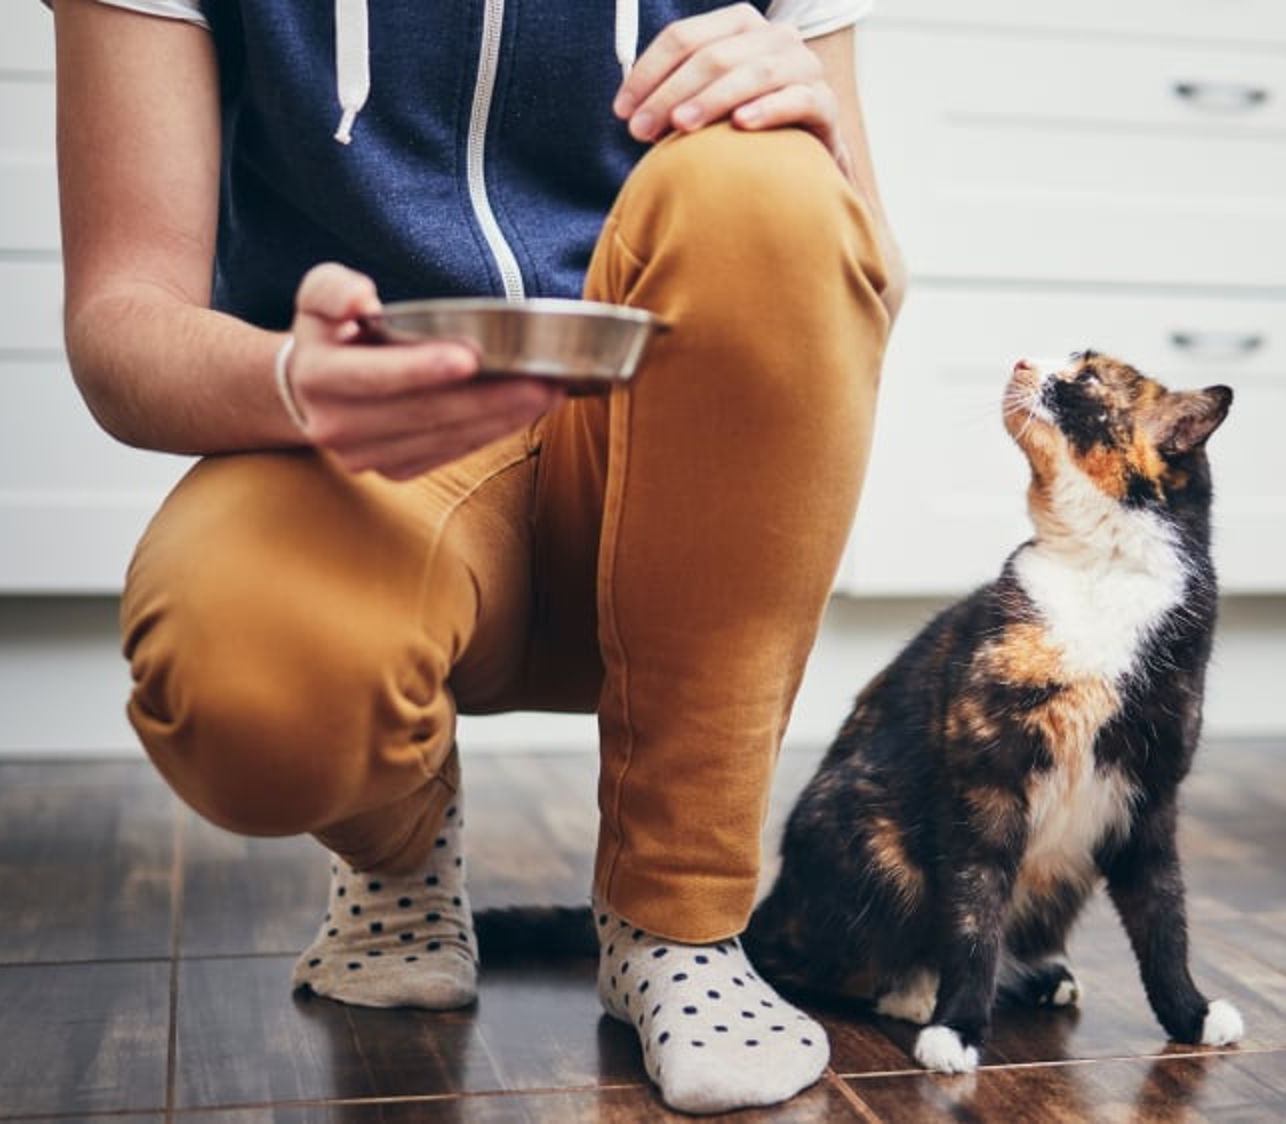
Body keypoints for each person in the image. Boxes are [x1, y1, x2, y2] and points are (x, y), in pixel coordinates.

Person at [53, 0, 902, 1113]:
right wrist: (294, 382)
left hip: (672, 457)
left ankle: (678, 919)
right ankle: (398, 852)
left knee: (773, 181)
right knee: (242, 681)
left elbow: (865, 271)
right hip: (364, 458)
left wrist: (816, 149)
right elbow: (121, 314)